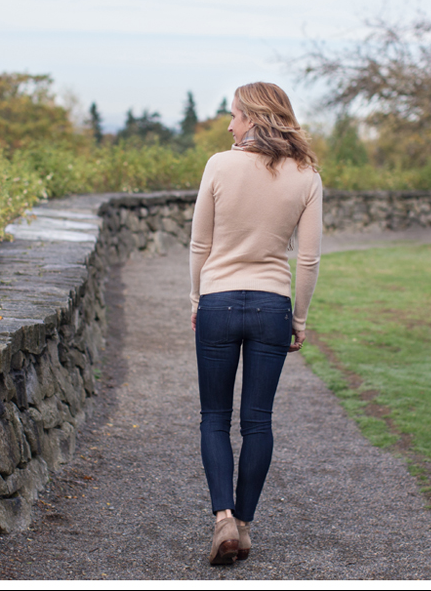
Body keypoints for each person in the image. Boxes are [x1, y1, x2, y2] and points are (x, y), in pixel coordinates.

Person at [189, 81, 322, 565]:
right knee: (258, 421)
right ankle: (242, 526)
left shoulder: (219, 165)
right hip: (272, 307)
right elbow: (307, 259)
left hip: (219, 301)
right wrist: (299, 317)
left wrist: (196, 296)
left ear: (255, 118)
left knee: (214, 418)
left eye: (235, 116)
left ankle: (222, 517)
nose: (229, 125)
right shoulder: (306, 174)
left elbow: (199, 245)